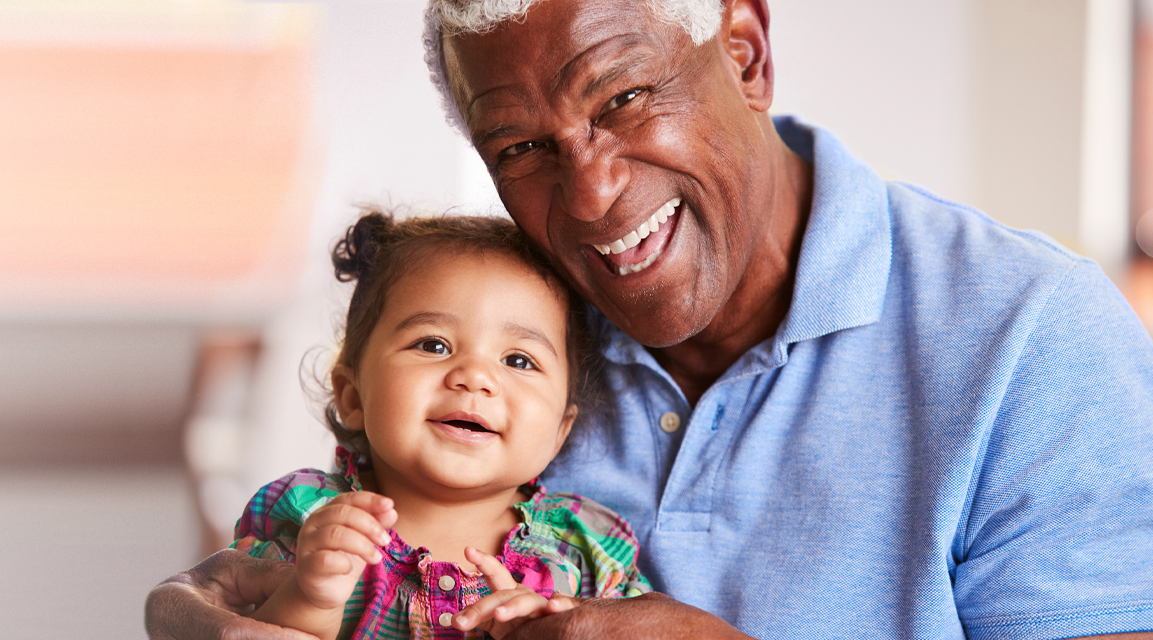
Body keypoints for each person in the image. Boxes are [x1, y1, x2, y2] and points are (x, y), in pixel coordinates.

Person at [145, 0, 1153, 638]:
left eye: (624, 97)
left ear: (747, 53)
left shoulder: (1034, 336)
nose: (588, 196)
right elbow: (261, 569)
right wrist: (191, 611)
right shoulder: (506, 331)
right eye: (520, 150)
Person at [234, 212, 649, 640]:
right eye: (434, 345)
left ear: (561, 430)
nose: (475, 376)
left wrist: (559, 629)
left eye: (518, 360)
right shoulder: (311, 518)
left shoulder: (590, 550)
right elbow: (230, 624)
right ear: (352, 397)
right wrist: (309, 597)